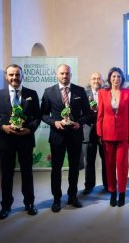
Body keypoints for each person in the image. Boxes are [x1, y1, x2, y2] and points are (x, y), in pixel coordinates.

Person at [0, 64, 41, 220]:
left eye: (17, 75)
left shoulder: (32, 94)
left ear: (22, 76)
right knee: (7, 175)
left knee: (27, 173)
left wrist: (29, 129)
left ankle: (29, 203)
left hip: (25, 140)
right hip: (6, 141)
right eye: (11, 75)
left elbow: (37, 117)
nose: (14, 78)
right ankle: (6, 205)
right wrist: (3, 127)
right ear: (6, 76)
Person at [41, 64, 91, 212]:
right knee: (56, 169)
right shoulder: (48, 92)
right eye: (62, 73)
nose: (64, 76)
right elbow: (43, 115)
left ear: (71, 75)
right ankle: (56, 199)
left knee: (74, 168)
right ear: (57, 75)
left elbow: (87, 113)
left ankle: (73, 196)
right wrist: (54, 122)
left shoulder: (80, 91)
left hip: (75, 136)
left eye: (67, 73)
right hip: (57, 136)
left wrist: (78, 123)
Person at [97, 67, 129, 207]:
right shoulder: (102, 93)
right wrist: (99, 133)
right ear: (109, 78)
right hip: (107, 135)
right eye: (113, 76)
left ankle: (122, 193)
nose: (116, 79)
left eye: (119, 76)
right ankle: (113, 193)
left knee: (122, 165)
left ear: (122, 79)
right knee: (110, 165)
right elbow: (100, 115)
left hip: (123, 135)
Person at [82, 72, 107, 194]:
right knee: (89, 161)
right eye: (94, 78)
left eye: (98, 78)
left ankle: (108, 185)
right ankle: (89, 185)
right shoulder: (83, 94)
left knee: (106, 160)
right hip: (88, 131)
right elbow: (80, 113)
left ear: (102, 81)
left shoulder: (107, 93)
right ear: (89, 81)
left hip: (105, 131)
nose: (96, 81)